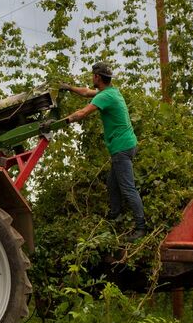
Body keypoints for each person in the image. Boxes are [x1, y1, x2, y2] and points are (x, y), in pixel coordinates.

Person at [60, 62, 147, 239]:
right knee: (112, 183)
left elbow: (83, 113)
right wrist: (69, 87)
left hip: (122, 148)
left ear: (97, 77)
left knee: (128, 188)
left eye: (93, 75)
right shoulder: (110, 92)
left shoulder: (105, 97)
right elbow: (86, 92)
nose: (92, 78)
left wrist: (63, 122)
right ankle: (115, 215)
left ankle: (141, 228)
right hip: (127, 144)